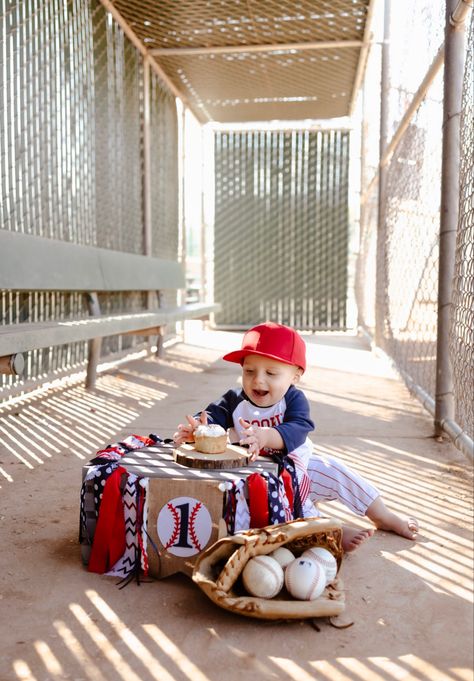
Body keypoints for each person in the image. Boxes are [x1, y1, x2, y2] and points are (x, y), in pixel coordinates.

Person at [174, 321, 418, 551]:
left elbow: (299, 427)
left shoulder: (293, 399)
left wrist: (268, 436)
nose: (258, 379)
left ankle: (383, 515)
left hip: (301, 464)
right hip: (262, 478)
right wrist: (198, 429)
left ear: (295, 376)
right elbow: (212, 417)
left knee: (336, 470)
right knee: (287, 503)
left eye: (271, 372)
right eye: (249, 370)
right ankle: (330, 530)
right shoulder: (234, 399)